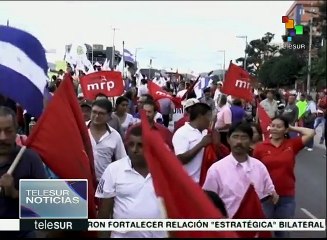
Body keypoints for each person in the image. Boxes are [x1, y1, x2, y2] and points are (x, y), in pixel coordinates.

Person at [96, 125, 167, 238]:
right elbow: (104, 214)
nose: (134, 150)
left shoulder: (165, 171)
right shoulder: (113, 169)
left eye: (140, 145)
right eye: (131, 145)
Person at [253, 116, 315, 238]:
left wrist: (291, 127)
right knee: (262, 232)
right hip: (266, 197)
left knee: (282, 233)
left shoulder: (292, 144)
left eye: (279, 126)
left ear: (285, 130)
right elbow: (254, 171)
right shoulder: (260, 147)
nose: (274, 129)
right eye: (273, 126)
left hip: (286, 197)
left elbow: (311, 132)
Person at [202, 122, 278, 219]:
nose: (239, 141)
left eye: (244, 137)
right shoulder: (216, 169)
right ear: (228, 140)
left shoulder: (259, 167)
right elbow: (208, 201)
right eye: (235, 137)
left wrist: (273, 195)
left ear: (250, 141)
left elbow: (271, 192)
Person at [0, 107, 47, 238]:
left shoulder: (30, 158)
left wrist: (14, 193)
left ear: (16, 130)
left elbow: (45, 204)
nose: (3, 137)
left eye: (8, 131)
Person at [87, 99, 127, 182]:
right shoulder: (80, 129)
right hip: (82, 182)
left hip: (105, 183)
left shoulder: (115, 136)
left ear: (109, 116)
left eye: (101, 113)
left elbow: (122, 161)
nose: (97, 116)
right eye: (94, 112)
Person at [172, 103, 212, 183]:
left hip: (205, 183)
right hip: (188, 184)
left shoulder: (206, 132)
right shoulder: (182, 132)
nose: (210, 119)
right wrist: (201, 144)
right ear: (200, 116)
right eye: (209, 116)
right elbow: (181, 159)